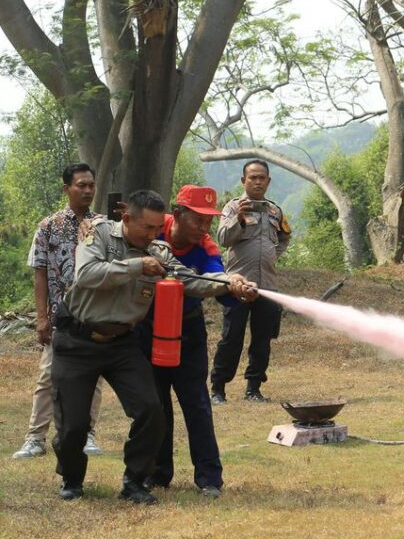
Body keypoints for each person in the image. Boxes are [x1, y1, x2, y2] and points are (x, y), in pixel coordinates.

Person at [50, 189, 259, 504]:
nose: (152, 234)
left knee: (151, 410)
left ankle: (135, 481)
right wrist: (137, 266)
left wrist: (229, 283)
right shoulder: (99, 235)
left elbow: (188, 280)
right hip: (77, 340)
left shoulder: (159, 251)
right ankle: (72, 478)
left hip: (123, 344)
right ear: (127, 218)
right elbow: (87, 274)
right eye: (147, 227)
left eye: (157, 228)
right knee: (74, 424)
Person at [134, 186, 233, 498]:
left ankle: (209, 477)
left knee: (196, 402)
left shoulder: (207, 247)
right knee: (156, 404)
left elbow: (216, 278)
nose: (204, 228)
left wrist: (233, 284)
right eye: (198, 220)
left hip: (187, 331)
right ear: (176, 215)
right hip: (147, 329)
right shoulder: (153, 229)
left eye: (208, 221)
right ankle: (157, 473)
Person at [12, 163, 105, 460]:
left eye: (91, 185)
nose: (87, 190)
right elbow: (39, 273)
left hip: (94, 315)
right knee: (48, 376)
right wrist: (41, 318)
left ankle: (87, 433)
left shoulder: (104, 226)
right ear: (66, 188)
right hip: (59, 317)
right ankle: (35, 438)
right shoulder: (48, 226)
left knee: (93, 377)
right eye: (81, 185)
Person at [210, 160, 290, 404]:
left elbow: (285, 237)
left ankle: (253, 389)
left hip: (267, 286)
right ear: (243, 181)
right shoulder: (233, 207)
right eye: (252, 177)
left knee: (262, 340)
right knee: (231, 338)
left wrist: (272, 255)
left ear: (268, 181)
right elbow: (223, 238)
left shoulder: (275, 211)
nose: (257, 182)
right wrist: (240, 219)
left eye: (261, 177)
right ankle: (218, 389)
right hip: (238, 286)